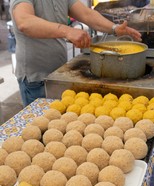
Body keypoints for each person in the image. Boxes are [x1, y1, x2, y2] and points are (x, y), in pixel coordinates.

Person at [10, 0, 141, 107]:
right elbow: (24, 22)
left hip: (58, 74)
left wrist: (115, 29)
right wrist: (67, 31)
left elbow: (86, 14)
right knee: (38, 132)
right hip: (36, 80)